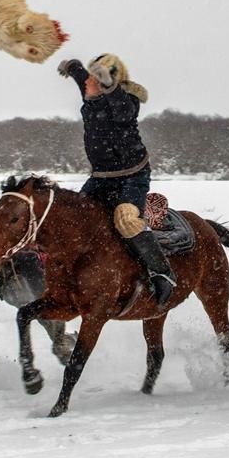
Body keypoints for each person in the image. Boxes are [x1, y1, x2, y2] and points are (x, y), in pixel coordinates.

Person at [57, 53, 176, 306]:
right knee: (74, 218)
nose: (87, 84)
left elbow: (122, 109)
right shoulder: (92, 92)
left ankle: (161, 272)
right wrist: (73, 66)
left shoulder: (126, 101)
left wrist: (109, 84)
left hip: (132, 176)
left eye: (95, 79)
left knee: (126, 219)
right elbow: (83, 80)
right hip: (101, 177)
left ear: (108, 82)